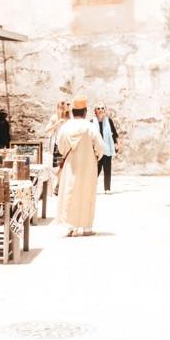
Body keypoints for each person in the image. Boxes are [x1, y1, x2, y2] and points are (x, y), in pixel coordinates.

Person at [56, 96, 105, 237]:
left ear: (72, 112)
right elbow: (100, 147)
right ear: (85, 112)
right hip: (88, 167)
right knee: (86, 194)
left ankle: (70, 228)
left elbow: (60, 147)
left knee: (69, 193)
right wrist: (95, 157)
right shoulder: (90, 127)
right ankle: (87, 228)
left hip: (71, 166)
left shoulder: (65, 127)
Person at [92, 102, 119, 194]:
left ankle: (107, 188)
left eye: (102, 108)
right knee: (96, 170)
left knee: (107, 169)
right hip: (96, 149)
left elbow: (114, 134)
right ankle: (91, 187)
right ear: (95, 111)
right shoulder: (92, 122)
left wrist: (117, 144)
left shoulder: (109, 121)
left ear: (104, 110)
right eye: (98, 108)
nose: (100, 110)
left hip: (107, 148)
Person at [45, 101, 71, 168]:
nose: (62, 110)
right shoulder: (55, 117)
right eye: (60, 108)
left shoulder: (69, 118)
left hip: (67, 146)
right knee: (57, 168)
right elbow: (46, 130)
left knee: (67, 168)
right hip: (57, 146)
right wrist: (57, 123)